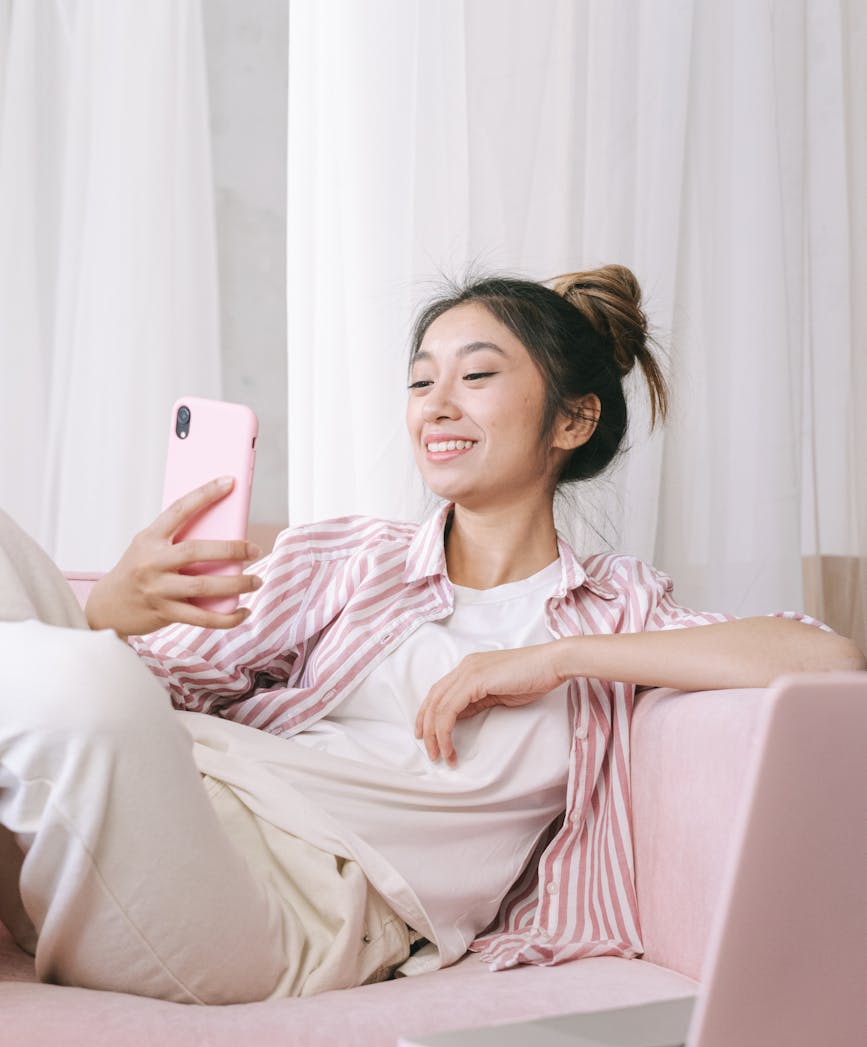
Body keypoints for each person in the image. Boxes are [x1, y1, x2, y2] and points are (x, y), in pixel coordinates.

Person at [1, 266, 863, 1005]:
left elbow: (824, 654)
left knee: (83, 686)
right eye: (420, 382)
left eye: (476, 376)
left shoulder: (616, 611)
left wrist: (554, 658)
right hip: (156, 807)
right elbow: (167, 690)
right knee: (57, 627)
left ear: (571, 422)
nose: (436, 406)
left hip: (274, 908)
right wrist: (112, 606)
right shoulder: (349, 558)